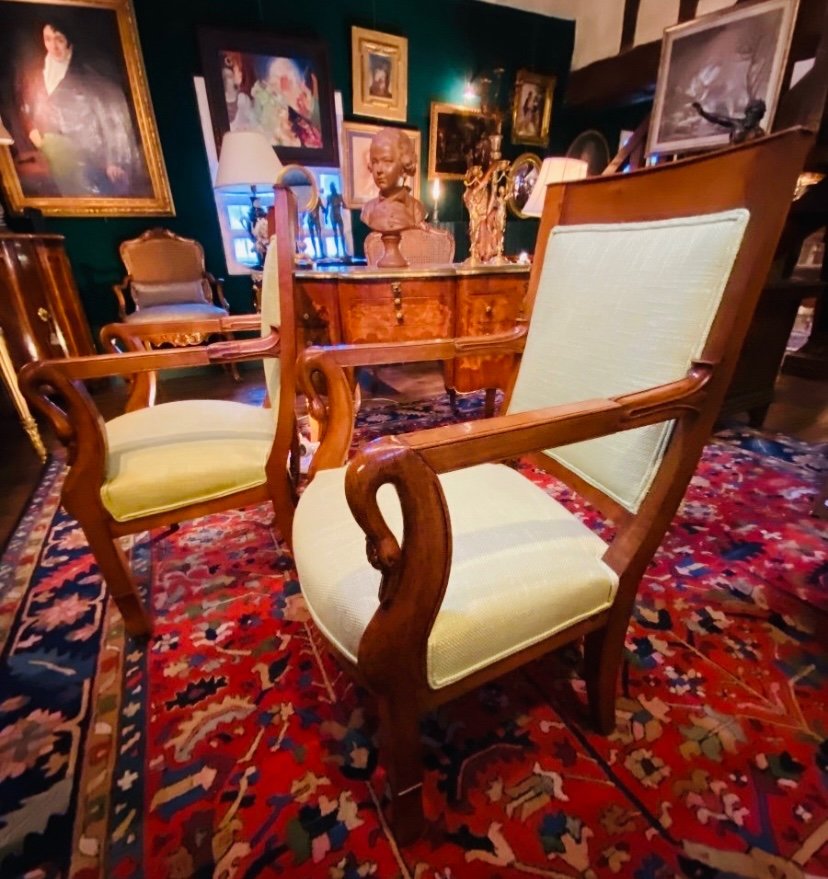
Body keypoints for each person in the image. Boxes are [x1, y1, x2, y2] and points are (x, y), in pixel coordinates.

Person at [19, 18, 144, 197]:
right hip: (51, 158)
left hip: (90, 161)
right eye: (48, 39)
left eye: (59, 40)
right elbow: (28, 111)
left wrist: (112, 161)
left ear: (69, 41)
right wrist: (35, 134)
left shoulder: (88, 74)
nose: (53, 46)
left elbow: (110, 119)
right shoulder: (36, 75)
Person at [360, 128, 426, 233]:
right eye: (375, 162)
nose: (379, 170)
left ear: (404, 166)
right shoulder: (368, 210)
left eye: (387, 161)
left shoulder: (416, 209)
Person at [691, 98, 766, 144]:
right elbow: (718, 118)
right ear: (748, 112)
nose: (754, 116)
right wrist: (703, 113)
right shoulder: (737, 124)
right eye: (753, 113)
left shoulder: (759, 132)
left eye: (758, 114)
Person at [325, 182, 347, 256]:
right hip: (333, 216)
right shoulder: (329, 197)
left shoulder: (339, 196)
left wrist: (343, 204)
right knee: (335, 233)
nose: (332, 189)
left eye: (333, 187)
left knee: (342, 233)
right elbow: (327, 208)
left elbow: (345, 205)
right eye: (331, 188)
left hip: (338, 215)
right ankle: (337, 251)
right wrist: (325, 218)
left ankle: (344, 251)